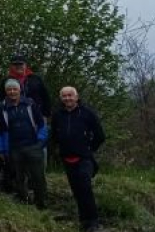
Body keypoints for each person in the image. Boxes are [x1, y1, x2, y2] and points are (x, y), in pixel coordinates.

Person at [51, 87, 106, 232]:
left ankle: (93, 222)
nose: (67, 98)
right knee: (76, 189)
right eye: (64, 96)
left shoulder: (87, 113)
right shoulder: (57, 115)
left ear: (76, 97)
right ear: (61, 98)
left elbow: (100, 135)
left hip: (84, 158)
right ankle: (83, 220)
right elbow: (54, 135)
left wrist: (89, 149)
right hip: (66, 157)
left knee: (85, 187)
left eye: (70, 95)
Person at [0, 78, 48, 209]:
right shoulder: (1, 108)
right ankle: (24, 201)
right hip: (13, 148)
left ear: (20, 90)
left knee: (38, 177)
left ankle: (41, 204)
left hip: (33, 145)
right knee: (19, 177)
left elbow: (42, 125)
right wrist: (0, 150)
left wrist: (41, 142)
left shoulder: (30, 104)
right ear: (5, 91)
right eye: (9, 89)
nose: (12, 92)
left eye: (15, 89)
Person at [0, 53, 51, 120]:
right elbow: (1, 98)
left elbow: (45, 96)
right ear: (11, 66)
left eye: (21, 64)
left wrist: (46, 114)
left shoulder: (36, 78)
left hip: (37, 115)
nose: (18, 66)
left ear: (26, 65)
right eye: (15, 64)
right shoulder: (6, 80)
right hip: (14, 117)